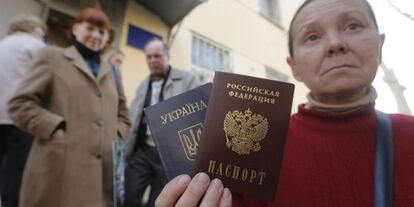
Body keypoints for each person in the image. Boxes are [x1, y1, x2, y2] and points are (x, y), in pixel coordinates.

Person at [154, 0, 414, 206]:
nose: (335, 44)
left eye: (353, 26)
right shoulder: (256, 150)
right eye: (312, 36)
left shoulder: (409, 133)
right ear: (294, 68)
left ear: (380, 45)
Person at [8, 8, 131, 207]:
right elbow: (20, 104)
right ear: (75, 29)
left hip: (101, 174)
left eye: (102, 31)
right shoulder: (51, 56)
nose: (96, 35)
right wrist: (55, 128)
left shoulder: (113, 72)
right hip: (59, 167)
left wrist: (114, 134)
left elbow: (124, 115)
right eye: (89, 28)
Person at [123, 38, 200, 207]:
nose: (152, 61)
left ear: (167, 56)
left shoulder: (187, 79)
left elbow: (200, 114)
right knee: (130, 194)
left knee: (160, 200)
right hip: (142, 150)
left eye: (157, 56)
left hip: (170, 154)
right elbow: (131, 116)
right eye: (149, 57)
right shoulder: (143, 85)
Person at [0, 14, 46, 207]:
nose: (43, 37)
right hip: (20, 121)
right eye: (42, 33)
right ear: (34, 29)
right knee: (16, 175)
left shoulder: (2, 44)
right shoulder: (35, 45)